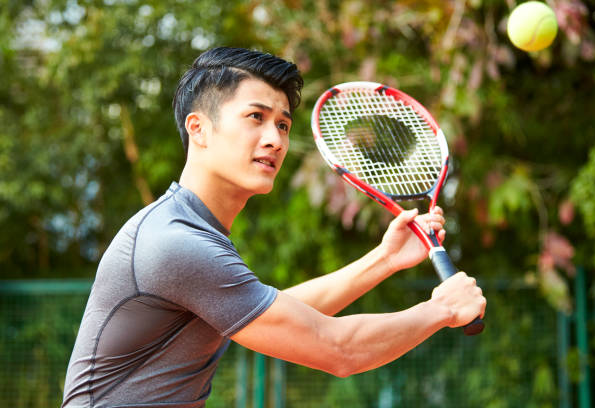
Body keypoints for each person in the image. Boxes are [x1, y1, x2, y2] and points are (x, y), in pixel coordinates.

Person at [61, 47, 486, 408]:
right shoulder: (176, 243)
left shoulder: (190, 230)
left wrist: (384, 260)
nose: (275, 139)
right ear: (199, 129)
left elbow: (280, 310)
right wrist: (442, 310)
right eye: (255, 117)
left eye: (282, 124)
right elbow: (337, 348)